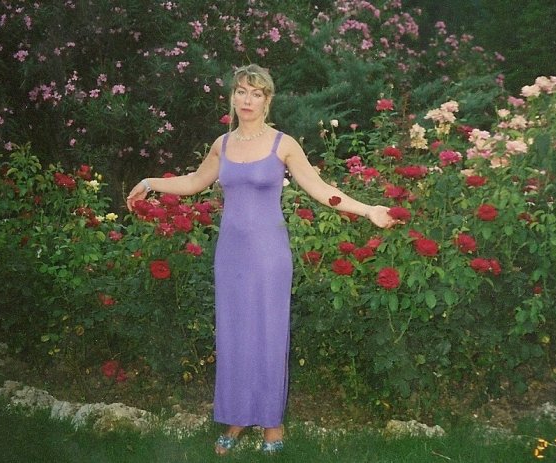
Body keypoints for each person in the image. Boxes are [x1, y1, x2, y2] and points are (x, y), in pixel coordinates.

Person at [126, 64, 396, 455]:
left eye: (255, 93)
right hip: (230, 255)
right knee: (233, 336)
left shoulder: (282, 145)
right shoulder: (222, 144)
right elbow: (194, 182)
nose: (247, 100)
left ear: (267, 100)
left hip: (270, 257)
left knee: (269, 336)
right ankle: (236, 417)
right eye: (241, 91)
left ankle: (272, 422)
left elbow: (321, 189)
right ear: (232, 97)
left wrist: (368, 209)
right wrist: (149, 183)